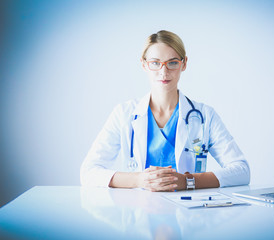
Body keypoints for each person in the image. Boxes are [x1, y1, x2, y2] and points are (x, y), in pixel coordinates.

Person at [80, 30, 250, 191]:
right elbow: (88, 173)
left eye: (172, 63)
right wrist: (139, 180)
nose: (164, 71)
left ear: (184, 64)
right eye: (155, 63)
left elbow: (242, 171)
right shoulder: (124, 114)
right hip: (139, 211)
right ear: (144, 64)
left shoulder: (205, 115)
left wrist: (188, 181)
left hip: (188, 212)